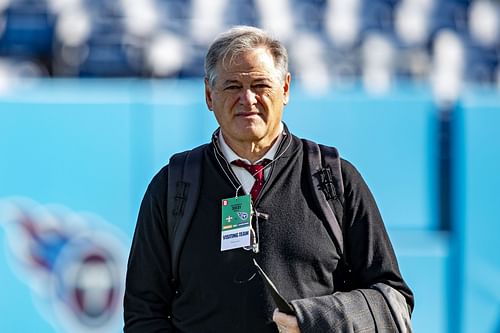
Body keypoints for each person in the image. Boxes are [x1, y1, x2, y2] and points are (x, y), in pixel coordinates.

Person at [124, 25, 414, 333]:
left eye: (261, 85)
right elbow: (143, 313)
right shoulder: (173, 186)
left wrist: (312, 319)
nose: (247, 99)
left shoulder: (335, 180)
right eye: (232, 86)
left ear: (285, 89)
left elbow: (393, 301)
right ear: (209, 95)